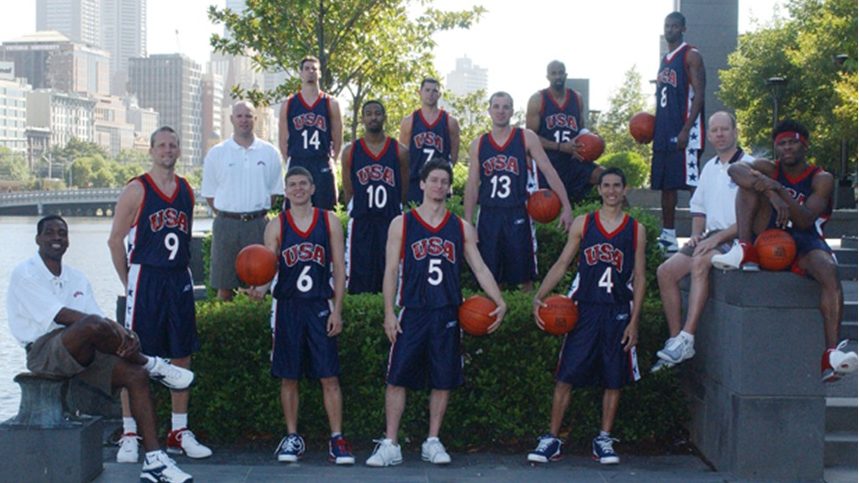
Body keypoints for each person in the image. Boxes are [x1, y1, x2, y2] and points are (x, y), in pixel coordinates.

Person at [8, 215, 195, 483]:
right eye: (50, 233)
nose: (57, 238)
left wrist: (125, 335)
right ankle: (152, 364)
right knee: (95, 326)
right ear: (38, 239)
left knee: (135, 376)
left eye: (62, 233)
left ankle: (155, 462)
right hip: (43, 351)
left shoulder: (77, 278)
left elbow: (98, 321)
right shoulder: (26, 273)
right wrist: (115, 330)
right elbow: (62, 316)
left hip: (82, 346)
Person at [365, 159, 507, 467]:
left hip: (447, 312)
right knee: (397, 377)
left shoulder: (460, 226)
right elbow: (390, 271)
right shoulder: (402, 223)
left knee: (443, 379)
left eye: (444, 181)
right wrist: (389, 311)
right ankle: (390, 442)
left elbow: (479, 267)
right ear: (422, 184)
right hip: (413, 310)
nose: (439, 186)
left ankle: (433, 440)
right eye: (434, 180)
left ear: (448, 187)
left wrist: (499, 300)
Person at [711, 119, 858, 382]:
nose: (787, 148)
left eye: (793, 142)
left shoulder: (821, 178)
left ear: (805, 145)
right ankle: (745, 247)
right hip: (769, 234)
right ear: (776, 148)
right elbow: (735, 169)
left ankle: (831, 354)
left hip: (805, 240)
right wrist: (770, 193)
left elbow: (803, 220)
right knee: (748, 185)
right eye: (782, 144)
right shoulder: (769, 167)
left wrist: (777, 189)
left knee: (829, 270)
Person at [527, 167, 646, 466]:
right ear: (599, 189)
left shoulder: (635, 229)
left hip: (618, 310)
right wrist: (540, 295)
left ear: (625, 189)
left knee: (614, 379)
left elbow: (641, 278)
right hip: (584, 309)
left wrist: (635, 321)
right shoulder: (584, 223)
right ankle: (552, 438)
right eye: (606, 185)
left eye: (617, 185)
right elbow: (563, 262)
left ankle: (604, 438)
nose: (611, 191)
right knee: (566, 375)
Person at [108, 126, 212, 462]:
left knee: (181, 354)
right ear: (151, 151)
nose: (168, 150)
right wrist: (130, 282)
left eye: (173, 145)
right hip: (147, 277)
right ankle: (129, 433)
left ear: (179, 150)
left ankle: (178, 430)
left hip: (178, 278)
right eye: (162, 145)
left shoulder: (186, 189)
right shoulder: (137, 189)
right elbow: (114, 241)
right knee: (134, 355)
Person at [247, 167, 355, 465]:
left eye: (302, 184)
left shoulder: (329, 220)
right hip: (288, 306)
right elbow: (267, 268)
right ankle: (293, 436)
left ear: (312, 188)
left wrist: (338, 309)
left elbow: (340, 269)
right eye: (292, 184)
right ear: (286, 190)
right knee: (289, 376)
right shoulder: (276, 226)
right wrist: (260, 288)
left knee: (329, 376)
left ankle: (337, 438)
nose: (297, 189)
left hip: (319, 304)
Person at [651, 112, 755, 372]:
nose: (719, 134)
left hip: (737, 238)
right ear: (708, 135)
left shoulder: (750, 166)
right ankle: (676, 339)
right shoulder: (709, 167)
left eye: (724, 129)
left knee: (699, 264)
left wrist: (719, 237)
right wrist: (697, 234)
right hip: (711, 236)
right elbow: (699, 209)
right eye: (714, 130)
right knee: (665, 271)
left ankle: (688, 336)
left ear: (735, 132)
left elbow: (754, 219)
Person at [464, 91, 574, 290]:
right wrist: (468, 222)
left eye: (505, 107)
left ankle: (524, 316)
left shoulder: (526, 137)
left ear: (512, 111)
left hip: (518, 211)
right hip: (489, 214)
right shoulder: (478, 144)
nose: (500, 111)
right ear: (489, 110)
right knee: (489, 275)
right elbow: (472, 185)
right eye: (496, 106)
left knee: (525, 276)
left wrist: (566, 205)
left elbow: (549, 171)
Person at [201, 100, 284, 301]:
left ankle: (256, 329)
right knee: (224, 286)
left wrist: (252, 210)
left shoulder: (270, 152)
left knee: (259, 284)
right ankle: (225, 328)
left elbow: (274, 193)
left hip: (258, 225)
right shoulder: (217, 153)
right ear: (231, 119)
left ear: (255, 119)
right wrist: (231, 211)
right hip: (226, 225)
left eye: (248, 116)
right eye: (239, 116)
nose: (244, 120)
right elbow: (210, 195)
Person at [341, 100, 409, 294]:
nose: (373, 117)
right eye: (369, 113)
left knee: (391, 270)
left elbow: (403, 189)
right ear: (362, 118)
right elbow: (349, 190)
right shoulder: (350, 152)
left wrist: (396, 207)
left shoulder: (400, 151)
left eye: (377, 113)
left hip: (390, 220)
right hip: (362, 221)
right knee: (359, 275)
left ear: (384, 117)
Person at [652, 11, 706, 252]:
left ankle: (705, 231)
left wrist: (686, 129)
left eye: (674, 26)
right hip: (664, 130)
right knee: (667, 184)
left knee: (693, 183)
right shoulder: (665, 59)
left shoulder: (691, 55)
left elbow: (699, 95)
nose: (669, 29)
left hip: (685, 131)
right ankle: (668, 235)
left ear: (683, 28)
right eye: (667, 25)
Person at [526, 60, 605, 203]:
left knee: (605, 177)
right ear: (548, 76)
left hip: (573, 160)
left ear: (566, 75)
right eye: (554, 73)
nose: (558, 77)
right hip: (547, 162)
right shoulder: (538, 99)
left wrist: (594, 139)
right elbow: (529, 138)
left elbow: (581, 130)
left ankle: (615, 218)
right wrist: (561, 147)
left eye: (560, 73)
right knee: (549, 208)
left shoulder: (577, 98)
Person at [279, 55, 343, 210]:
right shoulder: (289, 104)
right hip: (299, 160)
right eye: (307, 68)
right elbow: (282, 140)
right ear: (300, 73)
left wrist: (331, 160)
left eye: (314, 69)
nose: (310, 72)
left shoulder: (331, 103)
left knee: (327, 210)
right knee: (294, 210)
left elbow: (338, 137)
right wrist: (291, 159)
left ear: (320, 73)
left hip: (321, 160)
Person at [398, 77, 461, 205]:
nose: (431, 94)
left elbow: (453, 156)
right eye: (427, 90)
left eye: (434, 91)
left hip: (439, 183)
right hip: (415, 182)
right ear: (419, 92)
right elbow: (403, 156)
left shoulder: (451, 122)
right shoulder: (409, 121)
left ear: (439, 95)